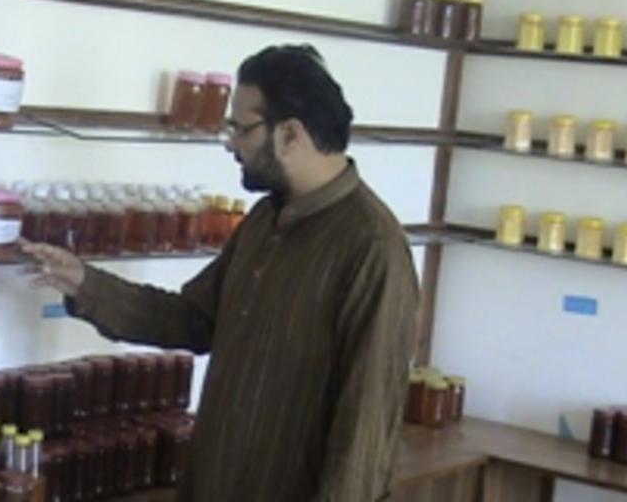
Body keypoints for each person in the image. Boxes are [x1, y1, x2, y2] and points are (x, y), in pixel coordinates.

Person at [22, 44, 418, 502]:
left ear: (290, 134)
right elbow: (193, 319)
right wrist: (86, 284)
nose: (230, 142)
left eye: (240, 128)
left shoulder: (372, 248)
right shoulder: (265, 220)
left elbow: (366, 432)